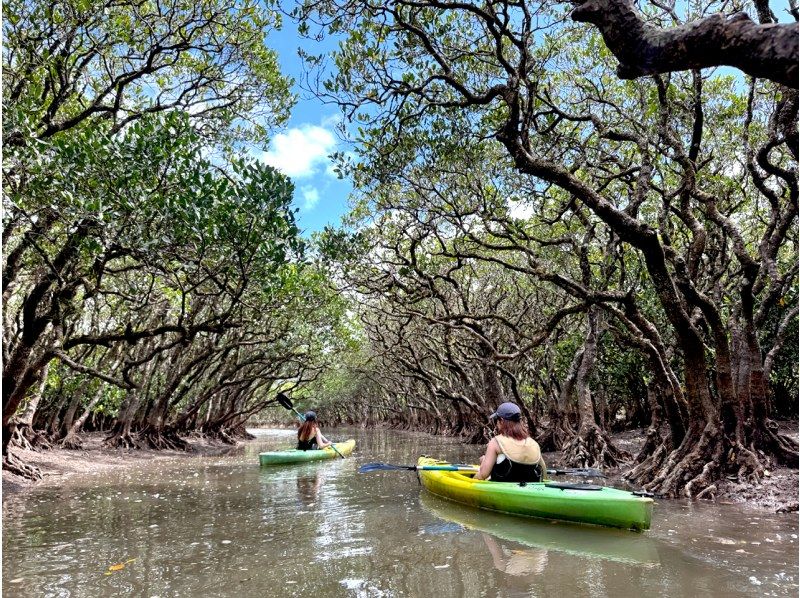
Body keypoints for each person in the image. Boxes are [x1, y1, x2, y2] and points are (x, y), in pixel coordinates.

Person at [474, 402, 546, 482]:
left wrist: (483, 464)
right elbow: (544, 476)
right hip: (530, 489)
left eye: (496, 420)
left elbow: (482, 475)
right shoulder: (534, 443)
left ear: (501, 421)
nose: (496, 424)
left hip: (503, 489)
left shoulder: (495, 442)